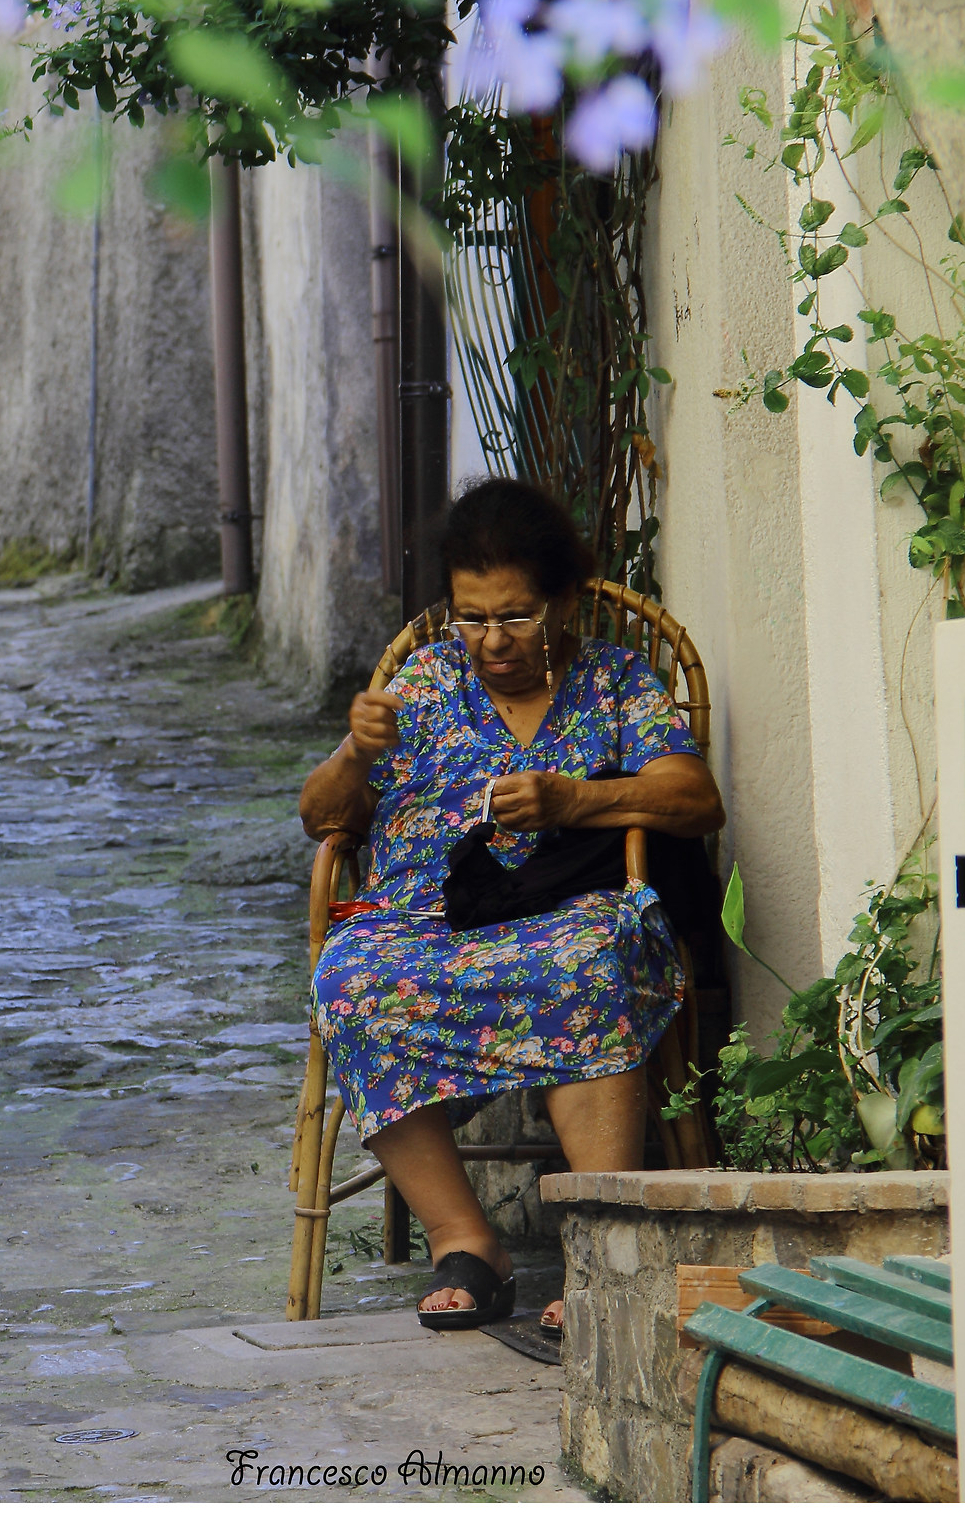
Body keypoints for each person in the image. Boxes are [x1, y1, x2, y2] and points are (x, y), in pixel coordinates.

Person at [296, 480, 724, 1331]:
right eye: (472, 617)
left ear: (561, 604)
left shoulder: (612, 683)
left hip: (568, 909)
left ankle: (597, 1252)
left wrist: (575, 801)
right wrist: (354, 750)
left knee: (594, 957)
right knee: (349, 980)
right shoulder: (421, 683)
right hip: (421, 920)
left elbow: (694, 800)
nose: (492, 640)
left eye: (516, 616)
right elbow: (323, 818)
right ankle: (467, 1242)